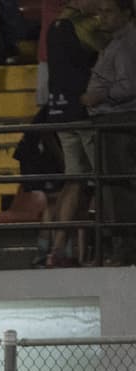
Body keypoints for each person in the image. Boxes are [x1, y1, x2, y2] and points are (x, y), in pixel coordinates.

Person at [44, 0, 107, 267]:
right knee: (105, 180)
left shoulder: (53, 26)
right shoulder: (83, 27)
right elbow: (109, 51)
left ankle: (57, 250)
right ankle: (108, 246)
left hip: (59, 110)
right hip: (84, 112)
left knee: (74, 181)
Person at [83, 0, 136, 266]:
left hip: (118, 120)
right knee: (112, 186)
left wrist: (97, 97)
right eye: (100, 11)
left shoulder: (127, 43)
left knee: (118, 186)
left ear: (125, 13)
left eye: (109, 11)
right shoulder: (116, 42)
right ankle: (120, 244)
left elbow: (129, 86)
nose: (101, 17)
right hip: (112, 121)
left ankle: (125, 246)